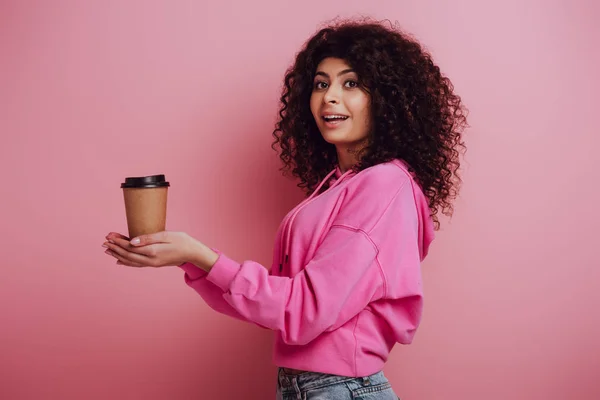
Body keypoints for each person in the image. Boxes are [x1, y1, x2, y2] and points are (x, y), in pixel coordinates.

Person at [102, 18, 467, 400]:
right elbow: (278, 308)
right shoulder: (337, 185)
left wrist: (200, 255)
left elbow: (304, 309)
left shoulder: (383, 185)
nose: (329, 97)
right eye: (321, 84)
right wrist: (186, 258)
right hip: (309, 388)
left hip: (340, 390)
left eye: (352, 83)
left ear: (387, 99)